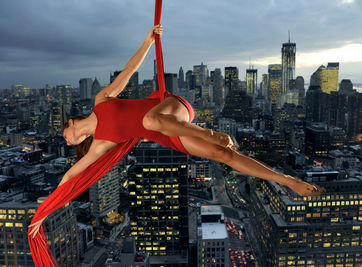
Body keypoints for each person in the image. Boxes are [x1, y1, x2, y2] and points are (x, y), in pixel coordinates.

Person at [29, 24, 325, 239]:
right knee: (223, 155)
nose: (66, 143)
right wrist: (44, 210)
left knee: (150, 122)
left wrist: (148, 40)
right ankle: (287, 180)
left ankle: (211, 133)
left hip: (172, 109)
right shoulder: (100, 145)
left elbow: (128, 72)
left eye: (63, 135)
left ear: (70, 124)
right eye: (67, 143)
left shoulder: (100, 102)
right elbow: (70, 176)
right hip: (174, 133)